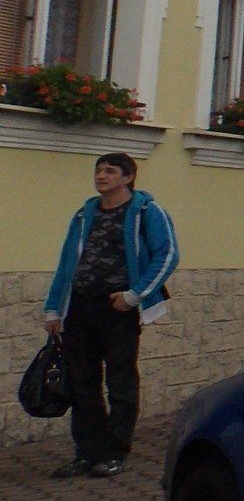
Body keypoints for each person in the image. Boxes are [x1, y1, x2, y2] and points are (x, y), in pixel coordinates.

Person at [42, 152, 178, 479]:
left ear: (128, 177)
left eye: (110, 171)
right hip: (80, 307)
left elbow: (168, 254)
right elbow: (66, 264)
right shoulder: (83, 215)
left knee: (120, 381)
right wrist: (53, 307)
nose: (102, 176)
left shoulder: (146, 211)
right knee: (81, 382)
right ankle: (87, 453)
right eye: (98, 170)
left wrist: (134, 296)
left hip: (118, 308)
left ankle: (115, 452)